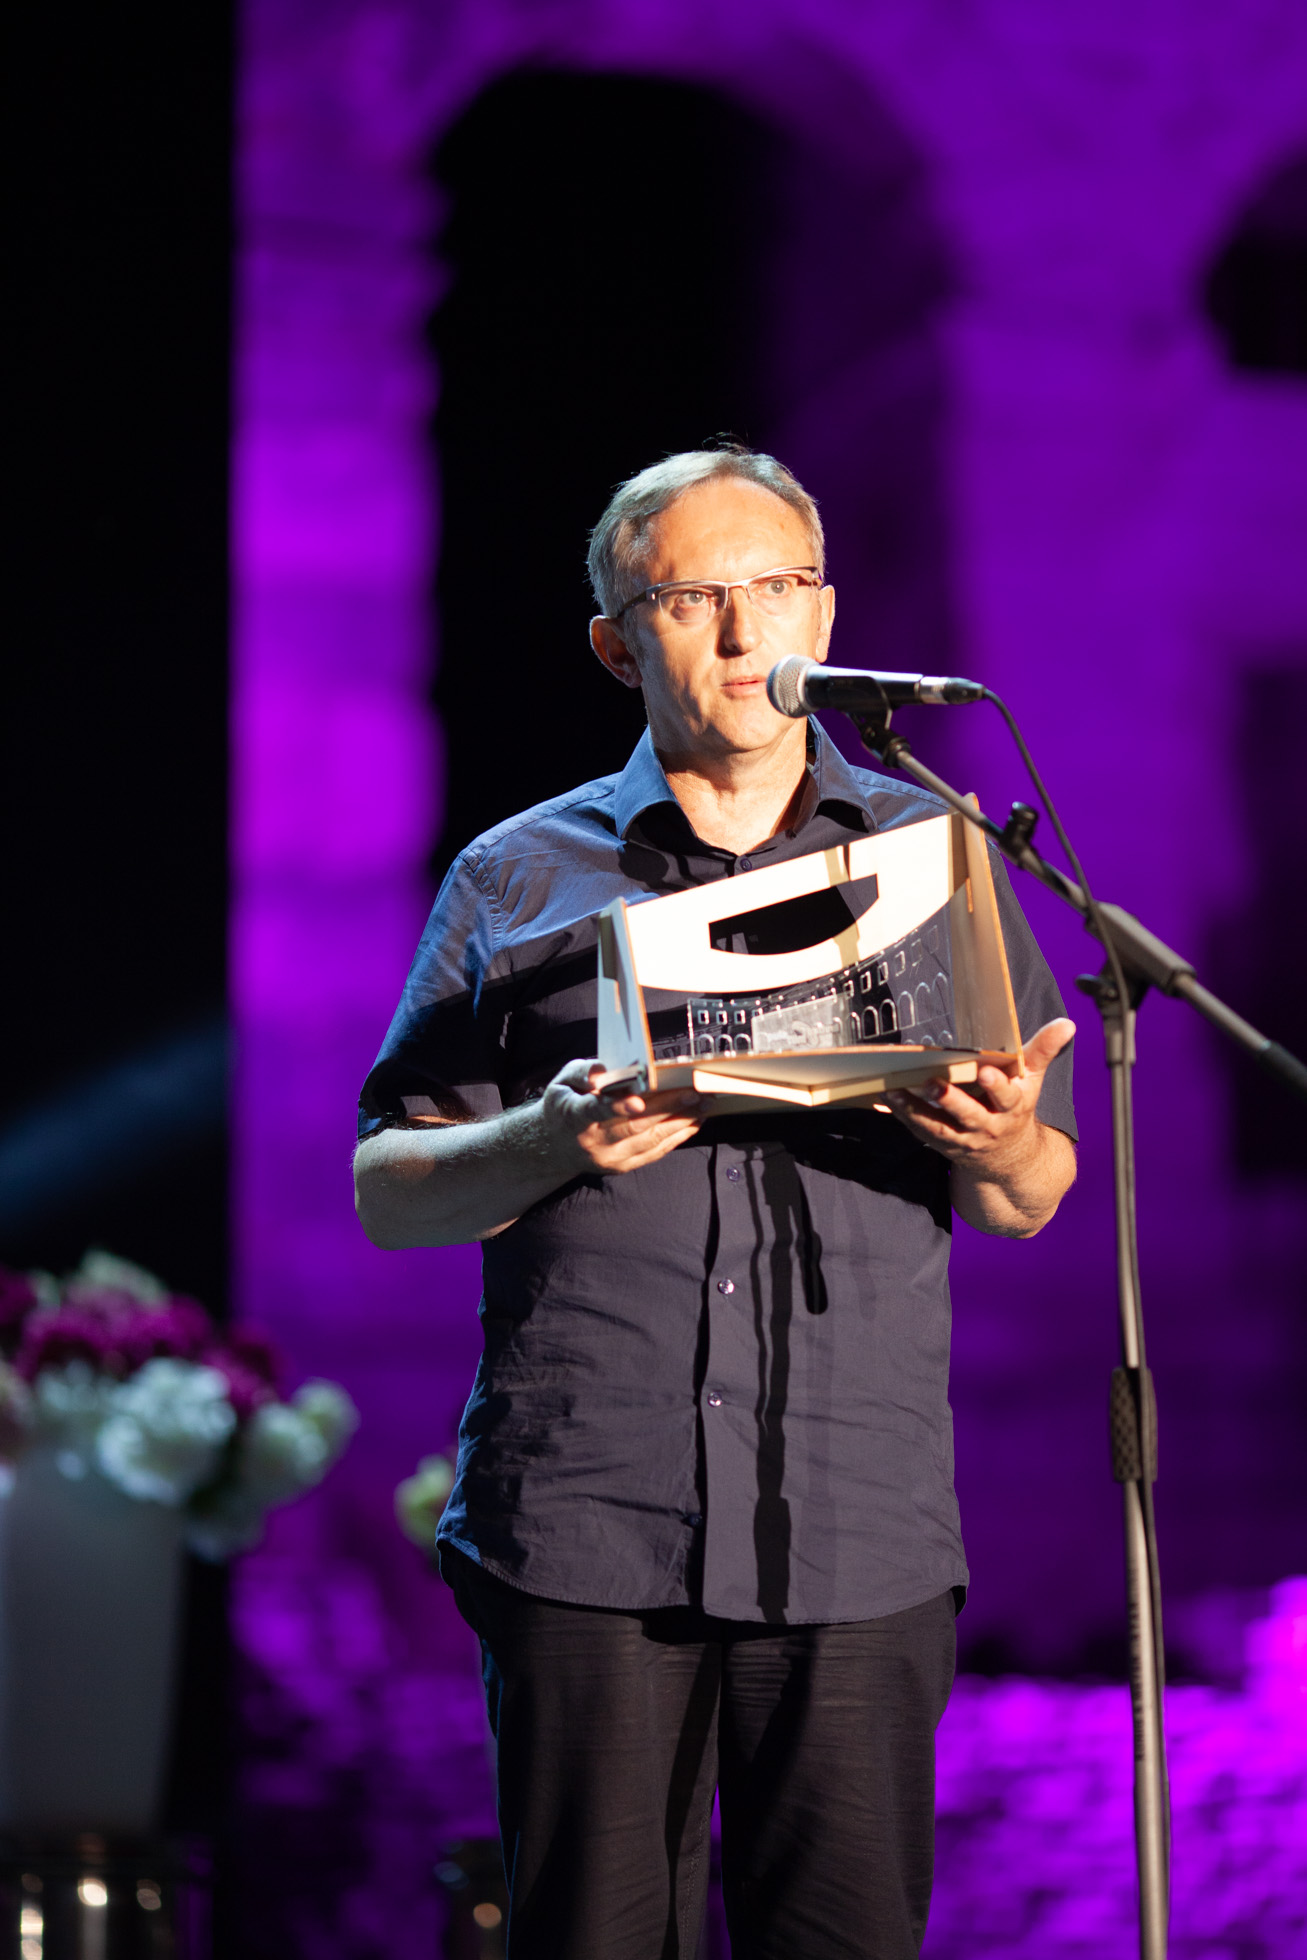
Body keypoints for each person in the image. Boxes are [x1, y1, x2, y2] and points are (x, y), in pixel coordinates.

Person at [354, 448, 1077, 1959]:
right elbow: (390, 1191)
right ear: (620, 643)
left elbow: (1028, 1196)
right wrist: (551, 1137)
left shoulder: (931, 855)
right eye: (694, 598)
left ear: (825, 608)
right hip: (588, 1527)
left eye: (776, 587)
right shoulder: (519, 876)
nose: (747, 634)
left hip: (857, 1523)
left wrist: (1002, 1138)